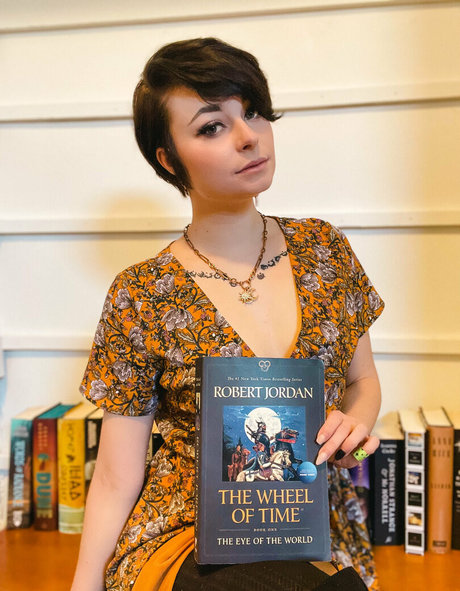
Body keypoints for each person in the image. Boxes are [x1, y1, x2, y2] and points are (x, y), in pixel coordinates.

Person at [71, 38, 384, 591]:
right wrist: (84, 585)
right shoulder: (141, 293)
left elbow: (363, 383)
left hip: (311, 526)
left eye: (254, 111)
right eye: (212, 126)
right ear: (169, 159)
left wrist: (354, 425)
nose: (248, 136)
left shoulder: (325, 249)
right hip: (187, 535)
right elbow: (118, 477)